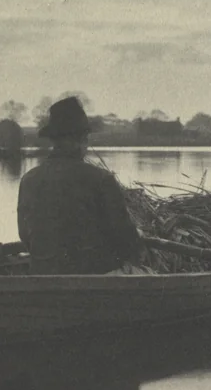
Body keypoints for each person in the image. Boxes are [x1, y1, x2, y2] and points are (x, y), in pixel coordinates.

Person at [17, 96, 144, 275]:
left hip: (44, 274)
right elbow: (125, 239)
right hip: (95, 278)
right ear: (81, 139)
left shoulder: (28, 179)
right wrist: (137, 239)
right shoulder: (101, 179)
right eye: (85, 139)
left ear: (53, 140)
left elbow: (25, 235)